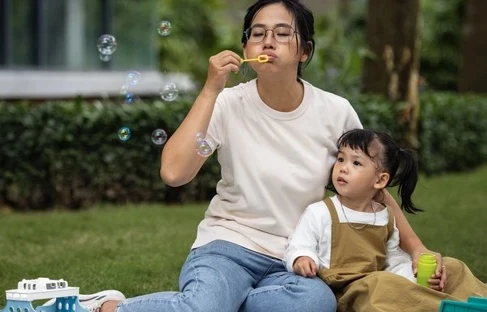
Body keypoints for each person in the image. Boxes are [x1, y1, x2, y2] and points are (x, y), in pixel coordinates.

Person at [54, 1, 449, 311]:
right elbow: (173, 173)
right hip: (228, 246)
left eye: (282, 33)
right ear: (245, 48)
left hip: (299, 256)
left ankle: (223, 303)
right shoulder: (227, 104)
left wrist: (417, 250)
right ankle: (107, 307)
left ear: (304, 50)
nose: (267, 41)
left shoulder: (335, 111)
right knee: (203, 309)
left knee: (315, 304)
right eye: (257, 33)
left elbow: (370, 187)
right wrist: (211, 89)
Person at [285, 128, 487, 311]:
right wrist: (302, 258)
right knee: (382, 285)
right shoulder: (321, 212)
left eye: (356, 163)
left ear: (380, 180)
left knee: (453, 267)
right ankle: (446, 307)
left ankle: (477, 301)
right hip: (349, 291)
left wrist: (413, 275)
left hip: (383, 282)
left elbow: (394, 259)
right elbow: (299, 244)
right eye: (340, 159)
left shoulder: (384, 216)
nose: (343, 168)